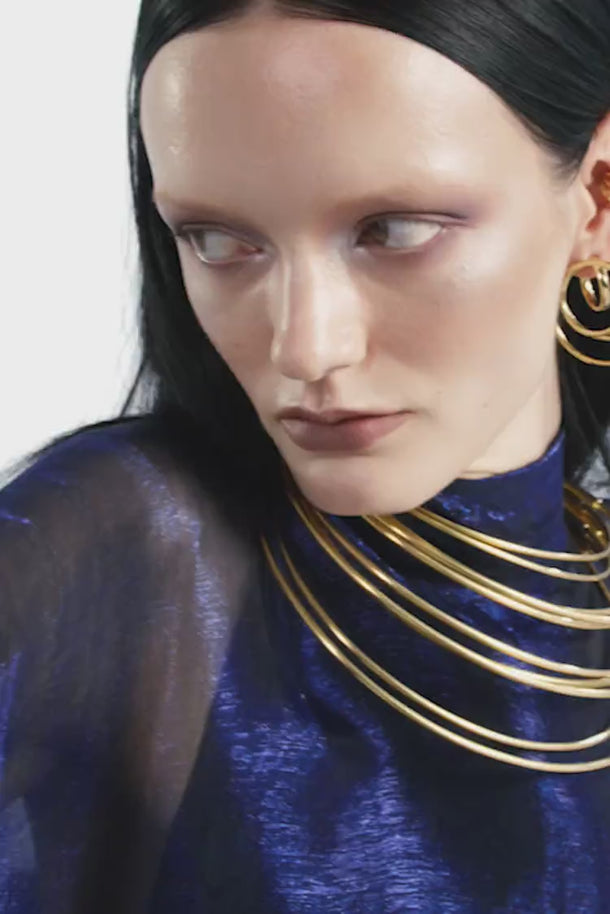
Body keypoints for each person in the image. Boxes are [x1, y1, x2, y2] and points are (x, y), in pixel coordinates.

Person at [2, 0, 610, 910]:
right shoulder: (128, 553)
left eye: (394, 231)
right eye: (218, 241)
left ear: (599, 199)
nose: (305, 347)